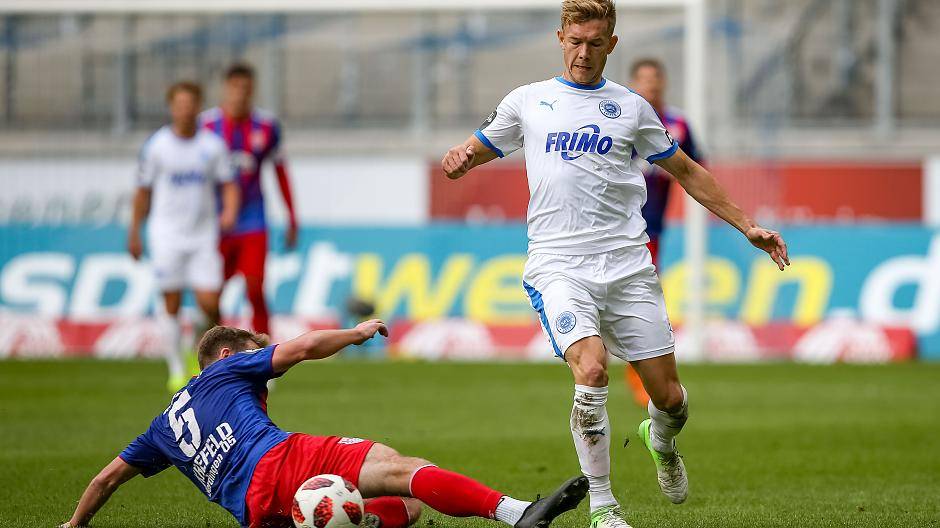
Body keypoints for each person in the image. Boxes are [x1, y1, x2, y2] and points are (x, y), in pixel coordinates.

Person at [440, 1, 790, 527]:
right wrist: (461, 158)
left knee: (670, 398)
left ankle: (660, 439)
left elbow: (688, 171)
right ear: (560, 38)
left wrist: (748, 225)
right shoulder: (528, 100)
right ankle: (604, 507)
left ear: (612, 44)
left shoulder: (631, 108)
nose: (583, 53)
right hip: (559, 265)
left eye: (595, 43)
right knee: (592, 370)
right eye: (575, 42)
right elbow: (480, 147)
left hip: (627, 265)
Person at [58, 322, 589, 528]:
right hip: (281, 461)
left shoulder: (161, 427)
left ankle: (355, 522)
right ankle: (515, 512)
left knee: (409, 508)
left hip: (255, 512)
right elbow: (305, 346)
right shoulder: (225, 370)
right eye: (255, 352)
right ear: (225, 355)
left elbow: (105, 479)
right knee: (399, 470)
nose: (265, 366)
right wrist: (356, 334)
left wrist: (75, 525)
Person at [128, 81, 240, 393]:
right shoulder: (157, 146)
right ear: (171, 107)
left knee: (211, 302)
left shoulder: (212, 146)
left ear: (198, 106)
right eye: (179, 104)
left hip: (203, 235)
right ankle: (176, 368)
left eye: (190, 104)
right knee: (172, 301)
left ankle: (197, 350)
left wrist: (230, 211)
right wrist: (134, 231)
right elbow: (142, 191)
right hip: (166, 234)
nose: (185, 110)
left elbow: (229, 183)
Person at [622, 57, 705, 408]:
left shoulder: (678, 124)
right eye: (643, 78)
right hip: (617, 226)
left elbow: (696, 167)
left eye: (655, 78)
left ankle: (645, 378)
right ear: (633, 83)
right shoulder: (619, 118)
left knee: (642, 301)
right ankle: (638, 378)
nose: (651, 84)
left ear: (664, 82)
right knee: (636, 302)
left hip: (651, 229)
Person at [200, 62, 299, 337]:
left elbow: (280, 172)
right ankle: (213, 350)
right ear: (225, 88)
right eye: (235, 87)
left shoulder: (266, 127)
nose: (240, 93)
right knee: (211, 293)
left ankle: (265, 349)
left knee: (255, 287)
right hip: (216, 222)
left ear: (252, 90)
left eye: (246, 88)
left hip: (253, 219)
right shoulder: (206, 125)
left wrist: (292, 217)